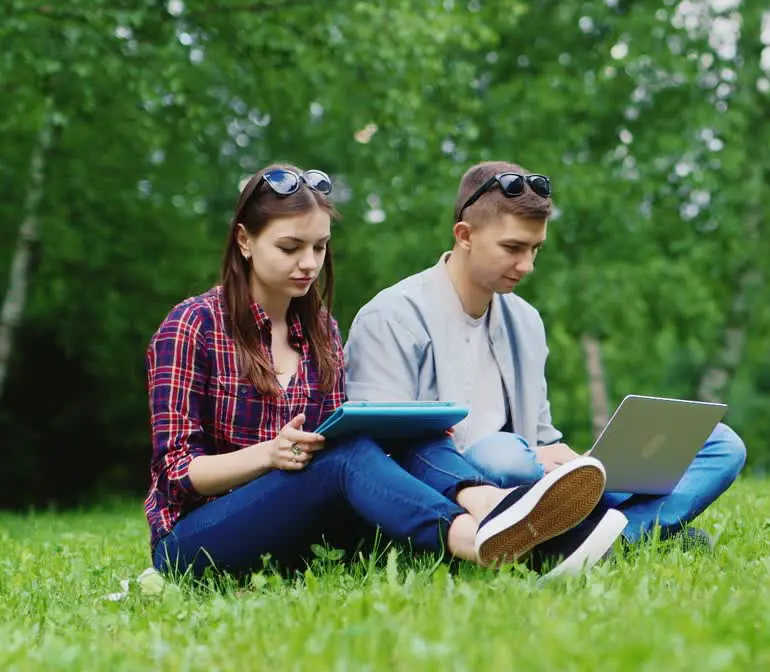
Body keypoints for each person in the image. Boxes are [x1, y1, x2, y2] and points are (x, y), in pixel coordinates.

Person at [143, 163, 615, 580]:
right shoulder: (192, 325)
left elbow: (342, 442)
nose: (309, 263)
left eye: (320, 247)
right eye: (290, 247)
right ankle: (480, 538)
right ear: (244, 240)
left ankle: (499, 510)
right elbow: (178, 474)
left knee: (406, 431)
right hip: (197, 539)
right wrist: (271, 454)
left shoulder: (321, 331)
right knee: (347, 458)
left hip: (299, 526)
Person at [343, 160, 748, 550]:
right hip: (466, 491)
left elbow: (541, 436)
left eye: (536, 249)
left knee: (721, 445)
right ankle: (621, 532)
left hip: (537, 483)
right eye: (514, 248)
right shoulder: (391, 317)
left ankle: (618, 539)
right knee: (501, 455)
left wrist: (574, 461)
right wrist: (531, 456)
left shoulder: (525, 320)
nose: (528, 265)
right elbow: (384, 452)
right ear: (465, 235)